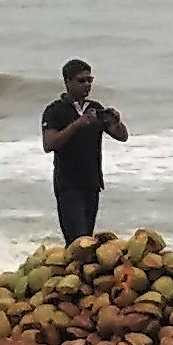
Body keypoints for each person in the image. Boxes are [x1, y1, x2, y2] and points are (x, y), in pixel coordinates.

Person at [39, 59, 128, 242]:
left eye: (90, 80)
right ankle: (71, 270)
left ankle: (79, 271)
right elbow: (49, 144)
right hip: (68, 183)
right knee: (77, 240)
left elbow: (122, 136)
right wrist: (77, 125)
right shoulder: (55, 111)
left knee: (87, 237)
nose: (87, 85)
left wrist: (116, 122)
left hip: (92, 181)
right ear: (67, 82)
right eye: (81, 81)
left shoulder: (95, 108)